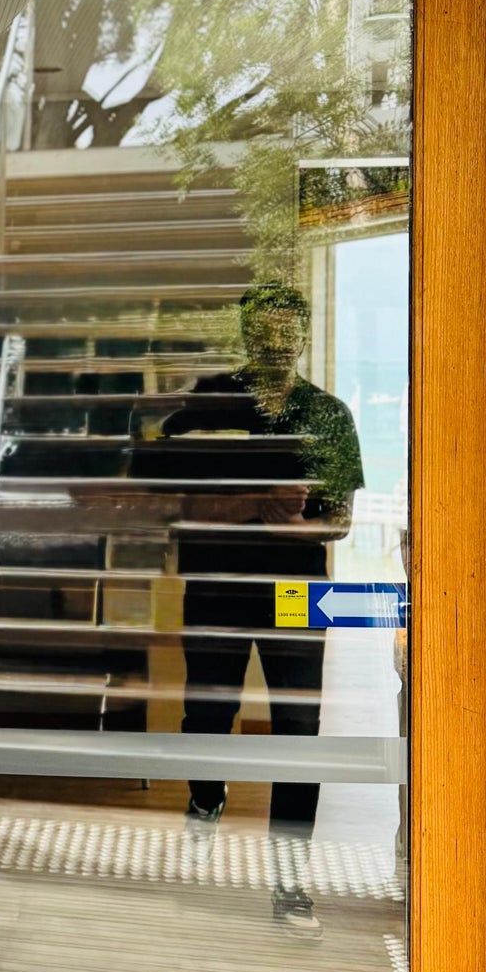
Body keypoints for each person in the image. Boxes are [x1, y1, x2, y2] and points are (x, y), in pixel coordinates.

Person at [157, 281, 364, 938]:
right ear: (247, 334)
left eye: (289, 329)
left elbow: (340, 521)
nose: (278, 341)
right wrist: (250, 503)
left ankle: (290, 882)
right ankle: (206, 795)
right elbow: (171, 504)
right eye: (266, 329)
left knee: (298, 730)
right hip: (217, 584)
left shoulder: (327, 415)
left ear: (303, 336)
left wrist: (297, 525)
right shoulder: (207, 403)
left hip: (296, 592)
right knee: (206, 715)